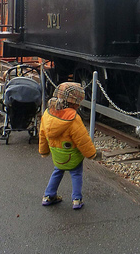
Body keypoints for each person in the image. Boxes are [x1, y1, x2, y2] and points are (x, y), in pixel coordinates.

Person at [39, 82, 102, 210]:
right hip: (72, 156)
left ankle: (48, 196)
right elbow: (82, 140)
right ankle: (76, 199)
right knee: (76, 174)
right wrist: (92, 154)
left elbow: (42, 134)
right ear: (73, 103)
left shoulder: (47, 114)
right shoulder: (73, 119)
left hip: (57, 156)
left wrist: (44, 151)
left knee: (57, 171)